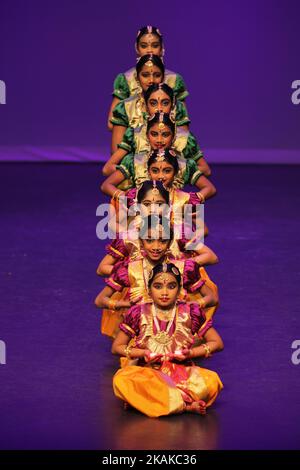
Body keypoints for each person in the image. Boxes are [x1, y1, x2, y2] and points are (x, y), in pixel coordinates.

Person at [112, 262, 224, 417]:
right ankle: (185, 405)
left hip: (181, 372)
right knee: (122, 379)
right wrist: (142, 353)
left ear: (179, 289)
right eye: (158, 286)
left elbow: (217, 343)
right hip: (148, 372)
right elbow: (117, 347)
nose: (164, 292)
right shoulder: (138, 313)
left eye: (171, 286)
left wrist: (190, 353)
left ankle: (147, 401)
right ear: (149, 290)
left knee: (212, 381)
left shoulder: (190, 312)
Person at [95, 215, 218, 339]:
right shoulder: (129, 269)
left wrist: (191, 306)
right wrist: (126, 304)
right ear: (141, 243)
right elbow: (100, 300)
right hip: (141, 332)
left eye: (163, 241)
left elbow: (212, 298)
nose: (156, 247)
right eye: (149, 240)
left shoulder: (184, 268)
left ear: (170, 242)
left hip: (178, 331)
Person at [107, 26, 189, 130]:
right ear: (137, 48)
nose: (149, 50)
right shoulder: (126, 79)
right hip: (134, 142)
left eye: (155, 46)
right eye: (144, 46)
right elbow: (111, 123)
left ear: (161, 48)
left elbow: (183, 124)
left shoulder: (174, 80)